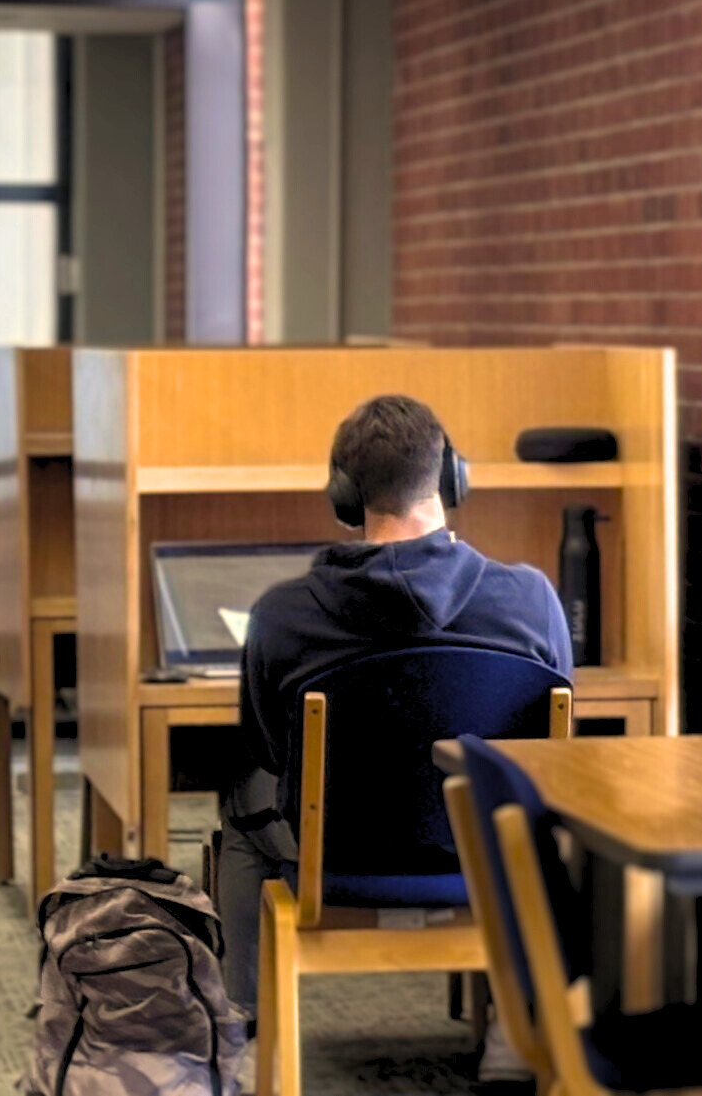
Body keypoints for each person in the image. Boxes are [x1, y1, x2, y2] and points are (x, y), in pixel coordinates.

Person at [212, 394, 571, 1078]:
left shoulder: (283, 614)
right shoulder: (531, 598)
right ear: (450, 480)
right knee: (540, 807)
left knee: (239, 799)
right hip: (484, 853)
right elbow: (555, 745)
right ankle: (515, 1028)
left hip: (336, 856)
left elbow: (265, 748)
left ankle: (243, 1034)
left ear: (344, 495)